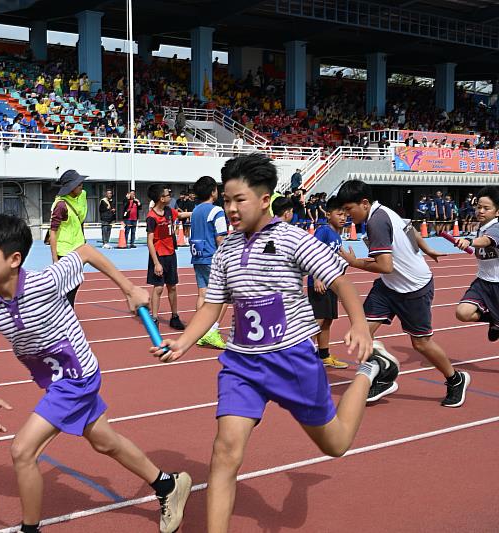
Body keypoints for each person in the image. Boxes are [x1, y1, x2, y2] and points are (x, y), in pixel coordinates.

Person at [151, 153, 396, 533]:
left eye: (240, 200)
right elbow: (212, 306)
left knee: (335, 444)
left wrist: (361, 326)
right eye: (227, 200)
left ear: (265, 199)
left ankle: (370, 370)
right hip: (241, 364)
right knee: (224, 451)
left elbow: (340, 282)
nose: (231, 209)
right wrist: (183, 342)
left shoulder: (293, 238)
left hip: (292, 360)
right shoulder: (226, 250)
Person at [0, 214, 192, 533]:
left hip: (77, 377)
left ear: (14, 259)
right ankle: (168, 485)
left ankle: (30, 529)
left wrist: (128, 289)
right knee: (105, 442)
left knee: (22, 451)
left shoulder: (45, 282)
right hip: (55, 381)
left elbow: (86, 252)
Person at [337, 179, 470, 407]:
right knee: (360, 333)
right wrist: (427, 249)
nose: (348, 215)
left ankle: (455, 379)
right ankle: (386, 375)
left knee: (421, 344)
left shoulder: (376, 223)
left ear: (365, 203)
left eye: (350, 209)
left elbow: (385, 265)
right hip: (388, 287)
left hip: (413, 289)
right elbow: (411, 231)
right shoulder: (385, 210)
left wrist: (354, 262)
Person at [307, 196, 349, 369]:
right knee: (318, 320)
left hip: (331, 283)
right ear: (329, 214)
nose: (343, 218)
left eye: (345, 215)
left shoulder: (337, 236)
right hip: (319, 283)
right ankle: (302, 357)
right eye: (339, 214)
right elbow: (311, 252)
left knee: (327, 321)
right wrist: (316, 277)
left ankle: (323, 355)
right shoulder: (323, 231)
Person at [454, 185, 499, 342]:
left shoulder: (497, 227)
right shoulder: (481, 227)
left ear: (497, 212)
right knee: (463, 313)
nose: (480, 211)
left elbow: (486, 241)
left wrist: (469, 241)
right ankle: (494, 319)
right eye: (478, 207)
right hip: (482, 283)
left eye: (486, 208)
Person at [146, 183, 191, 330]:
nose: (170, 196)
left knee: (172, 287)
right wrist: (156, 263)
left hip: (171, 254)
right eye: (167, 194)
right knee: (158, 288)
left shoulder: (169, 211)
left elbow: (181, 215)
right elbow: (150, 241)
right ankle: (154, 318)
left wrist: (197, 212)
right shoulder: (152, 217)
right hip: (159, 256)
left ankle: (175, 317)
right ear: (161, 198)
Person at [190, 176, 228, 349]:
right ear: (213, 191)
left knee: (202, 294)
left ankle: (200, 331)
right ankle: (212, 330)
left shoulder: (196, 211)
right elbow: (221, 236)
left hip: (197, 256)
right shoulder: (216, 210)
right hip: (213, 257)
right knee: (225, 295)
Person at [48, 170, 88, 307]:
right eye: (78, 184)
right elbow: (52, 232)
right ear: (71, 187)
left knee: (74, 286)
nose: (81, 185)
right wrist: (55, 259)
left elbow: (78, 223)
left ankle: (65, 316)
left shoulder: (78, 199)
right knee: (67, 291)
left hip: (77, 251)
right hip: (64, 253)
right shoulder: (61, 205)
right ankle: (63, 319)